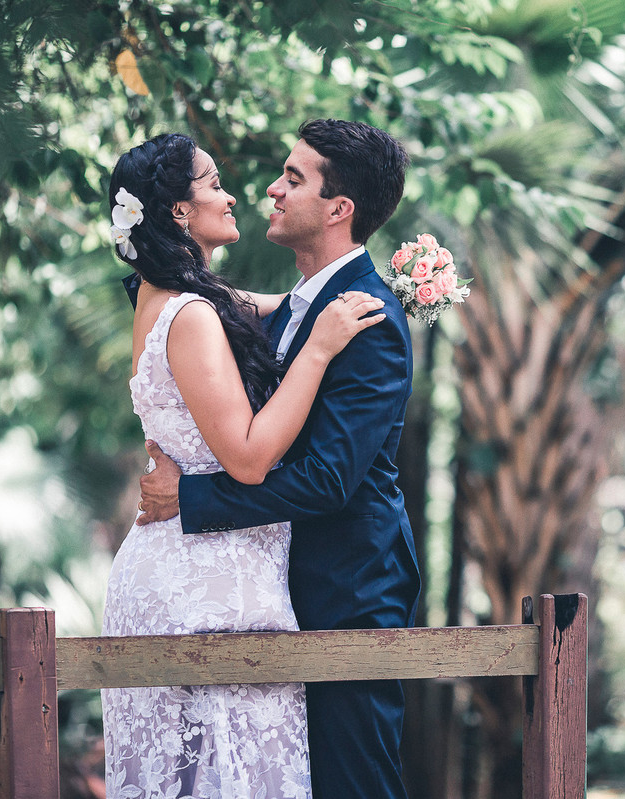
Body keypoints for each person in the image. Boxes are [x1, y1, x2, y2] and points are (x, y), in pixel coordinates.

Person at [137, 119, 420, 799]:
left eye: (293, 179)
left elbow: (328, 480)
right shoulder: (296, 307)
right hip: (277, 593)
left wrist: (192, 497)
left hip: (350, 595)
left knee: (356, 784)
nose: (271, 188)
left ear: (338, 208)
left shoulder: (366, 321)